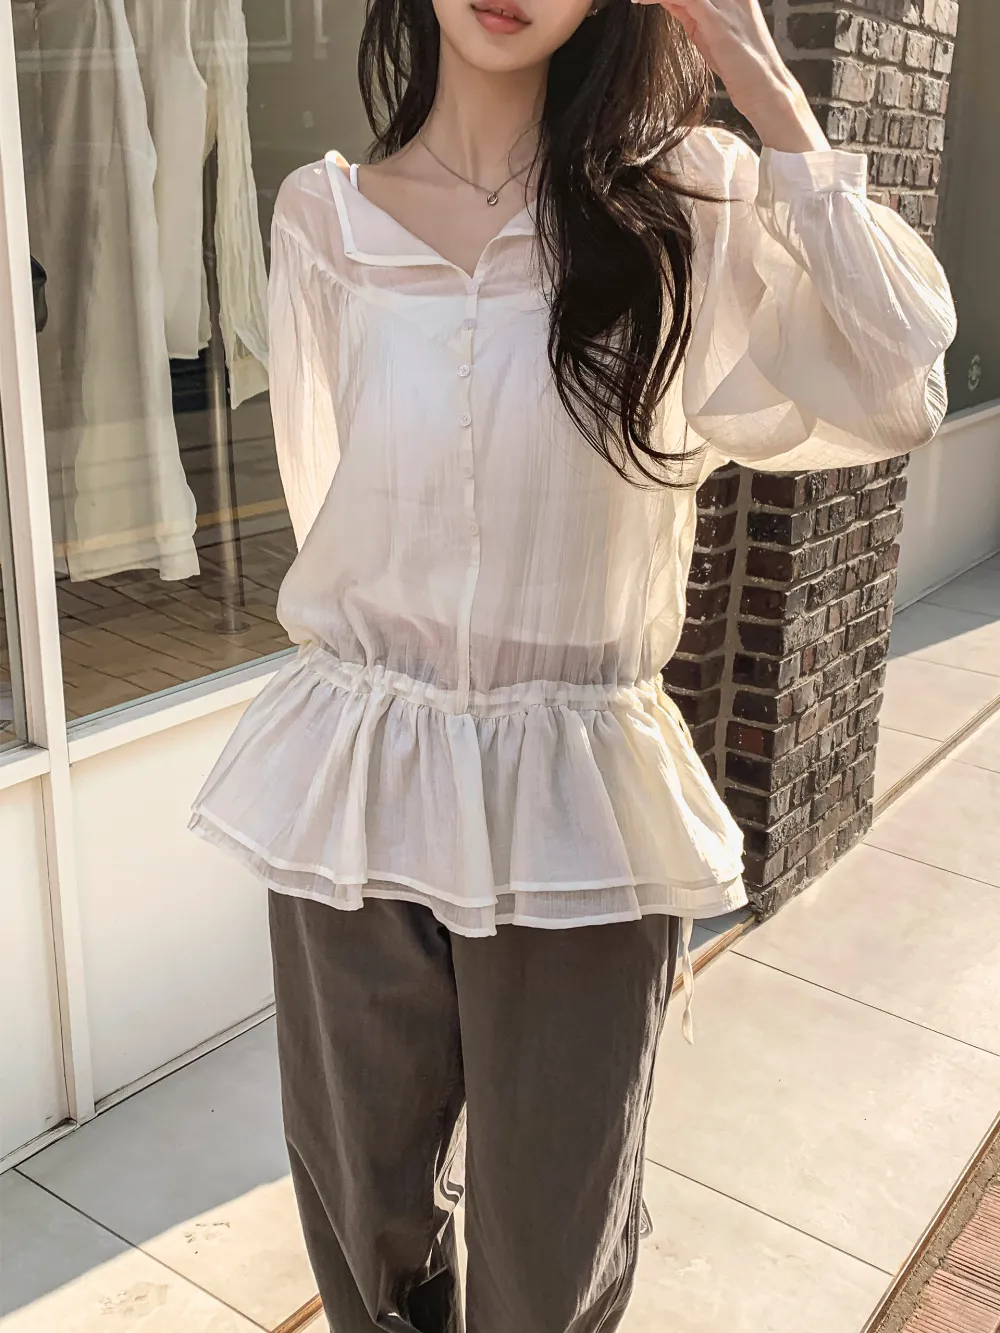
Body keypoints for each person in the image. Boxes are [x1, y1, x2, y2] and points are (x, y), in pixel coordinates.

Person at [190, 0, 957, 1328]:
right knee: (364, 1221)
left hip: (579, 804)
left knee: (554, 1251)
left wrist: (760, 77)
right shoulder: (326, 218)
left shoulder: (688, 207)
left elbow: (900, 379)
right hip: (365, 774)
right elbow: (333, 504)